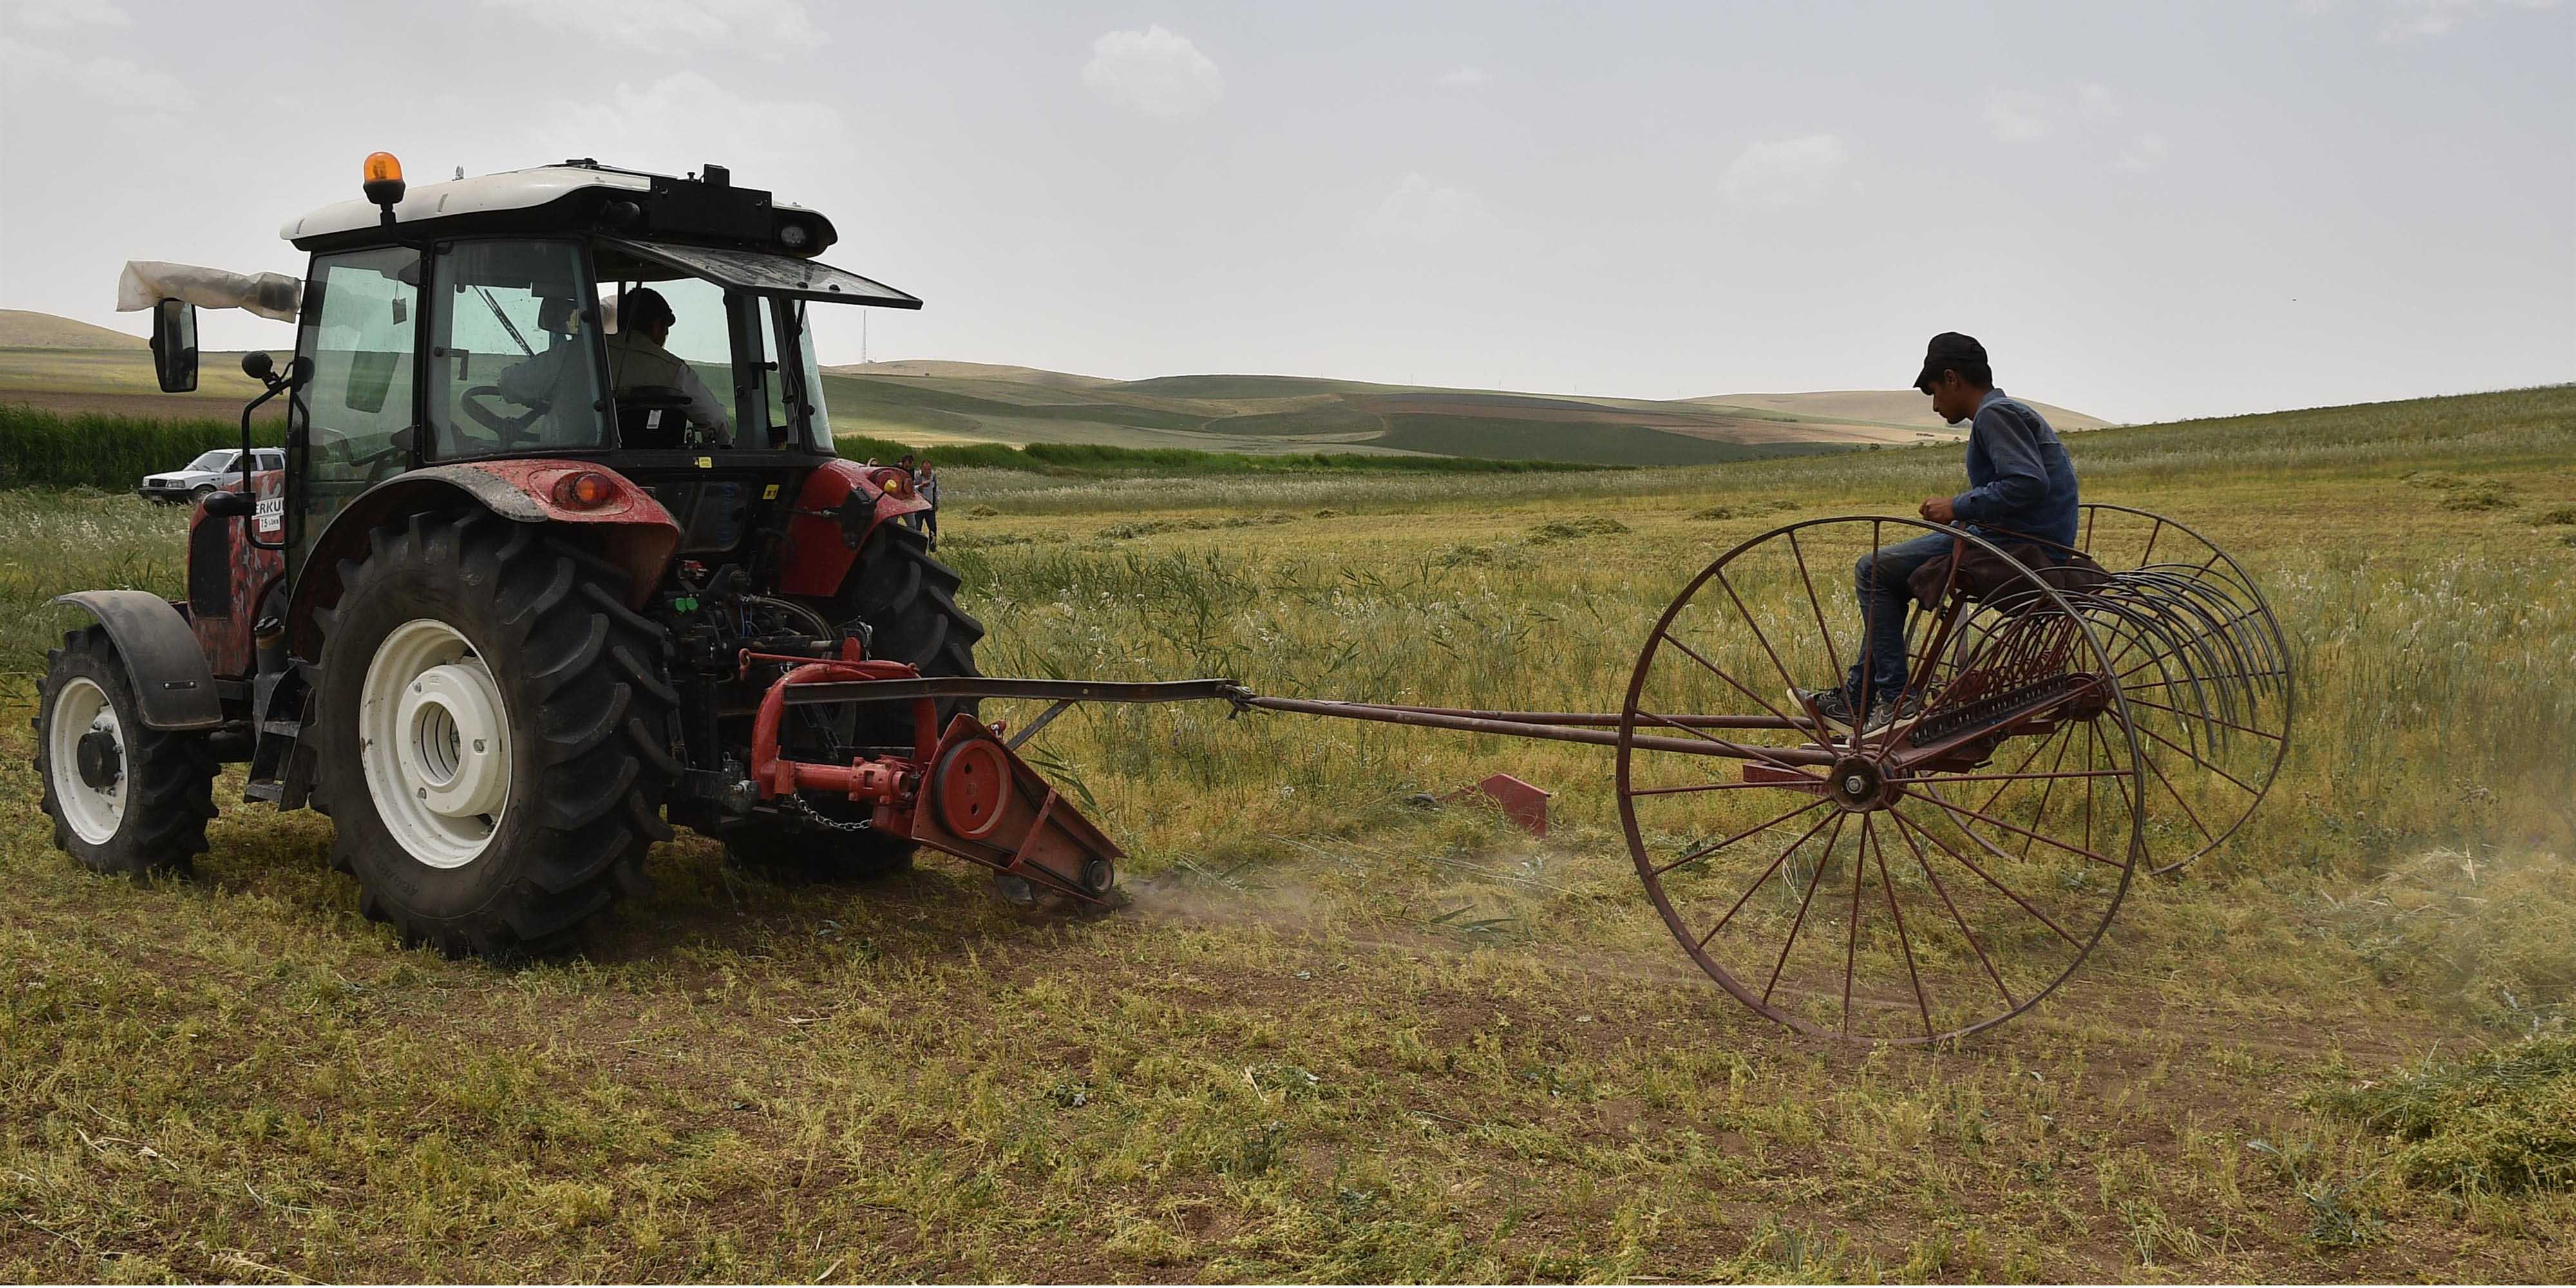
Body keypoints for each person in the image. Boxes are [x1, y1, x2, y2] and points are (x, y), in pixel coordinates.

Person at [1799, 332, 2080, 732]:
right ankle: (1857, 699)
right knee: (1886, 575)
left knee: (1872, 570)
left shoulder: (1993, 415)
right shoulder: (2014, 411)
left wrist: (1956, 506)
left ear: (1952, 379)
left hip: (2013, 549)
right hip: (2033, 542)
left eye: (1933, 392)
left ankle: (1895, 701)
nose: (1934, 405)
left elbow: (2028, 483)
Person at [498, 285, 729, 442]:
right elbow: (715, 420)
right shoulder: (675, 370)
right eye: (665, 330)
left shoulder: (574, 354)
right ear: (657, 327)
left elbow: (509, 385)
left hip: (569, 467)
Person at [914, 456, 940, 549]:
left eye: (929, 469)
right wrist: (921, 486)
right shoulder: (917, 476)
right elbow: (911, 489)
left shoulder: (933, 477)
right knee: (917, 528)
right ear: (921, 468)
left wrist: (936, 503)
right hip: (919, 507)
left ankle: (933, 545)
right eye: (925, 469)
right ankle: (916, 546)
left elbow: (936, 490)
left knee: (933, 527)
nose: (928, 471)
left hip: (930, 507)